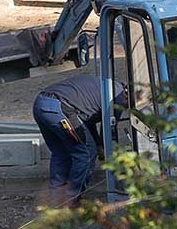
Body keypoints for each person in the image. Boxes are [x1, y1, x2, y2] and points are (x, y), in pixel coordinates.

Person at [32, 74, 127, 205]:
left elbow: (87, 122)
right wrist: (105, 151)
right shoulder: (118, 99)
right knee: (86, 153)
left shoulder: (108, 86)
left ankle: (55, 198)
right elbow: (108, 129)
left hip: (40, 103)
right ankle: (71, 200)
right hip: (61, 109)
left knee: (61, 153)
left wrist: (99, 144)